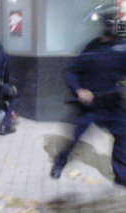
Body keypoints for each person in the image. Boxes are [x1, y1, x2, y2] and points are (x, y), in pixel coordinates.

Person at [50, 5, 126, 188]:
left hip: (113, 104)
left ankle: (121, 177)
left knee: (123, 138)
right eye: (107, 22)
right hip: (90, 106)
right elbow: (70, 71)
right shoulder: (91, 48)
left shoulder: (122, 48)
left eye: (112, 22)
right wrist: (79, 90)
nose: (110, 26)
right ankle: (60, 162)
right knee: (74, 138)